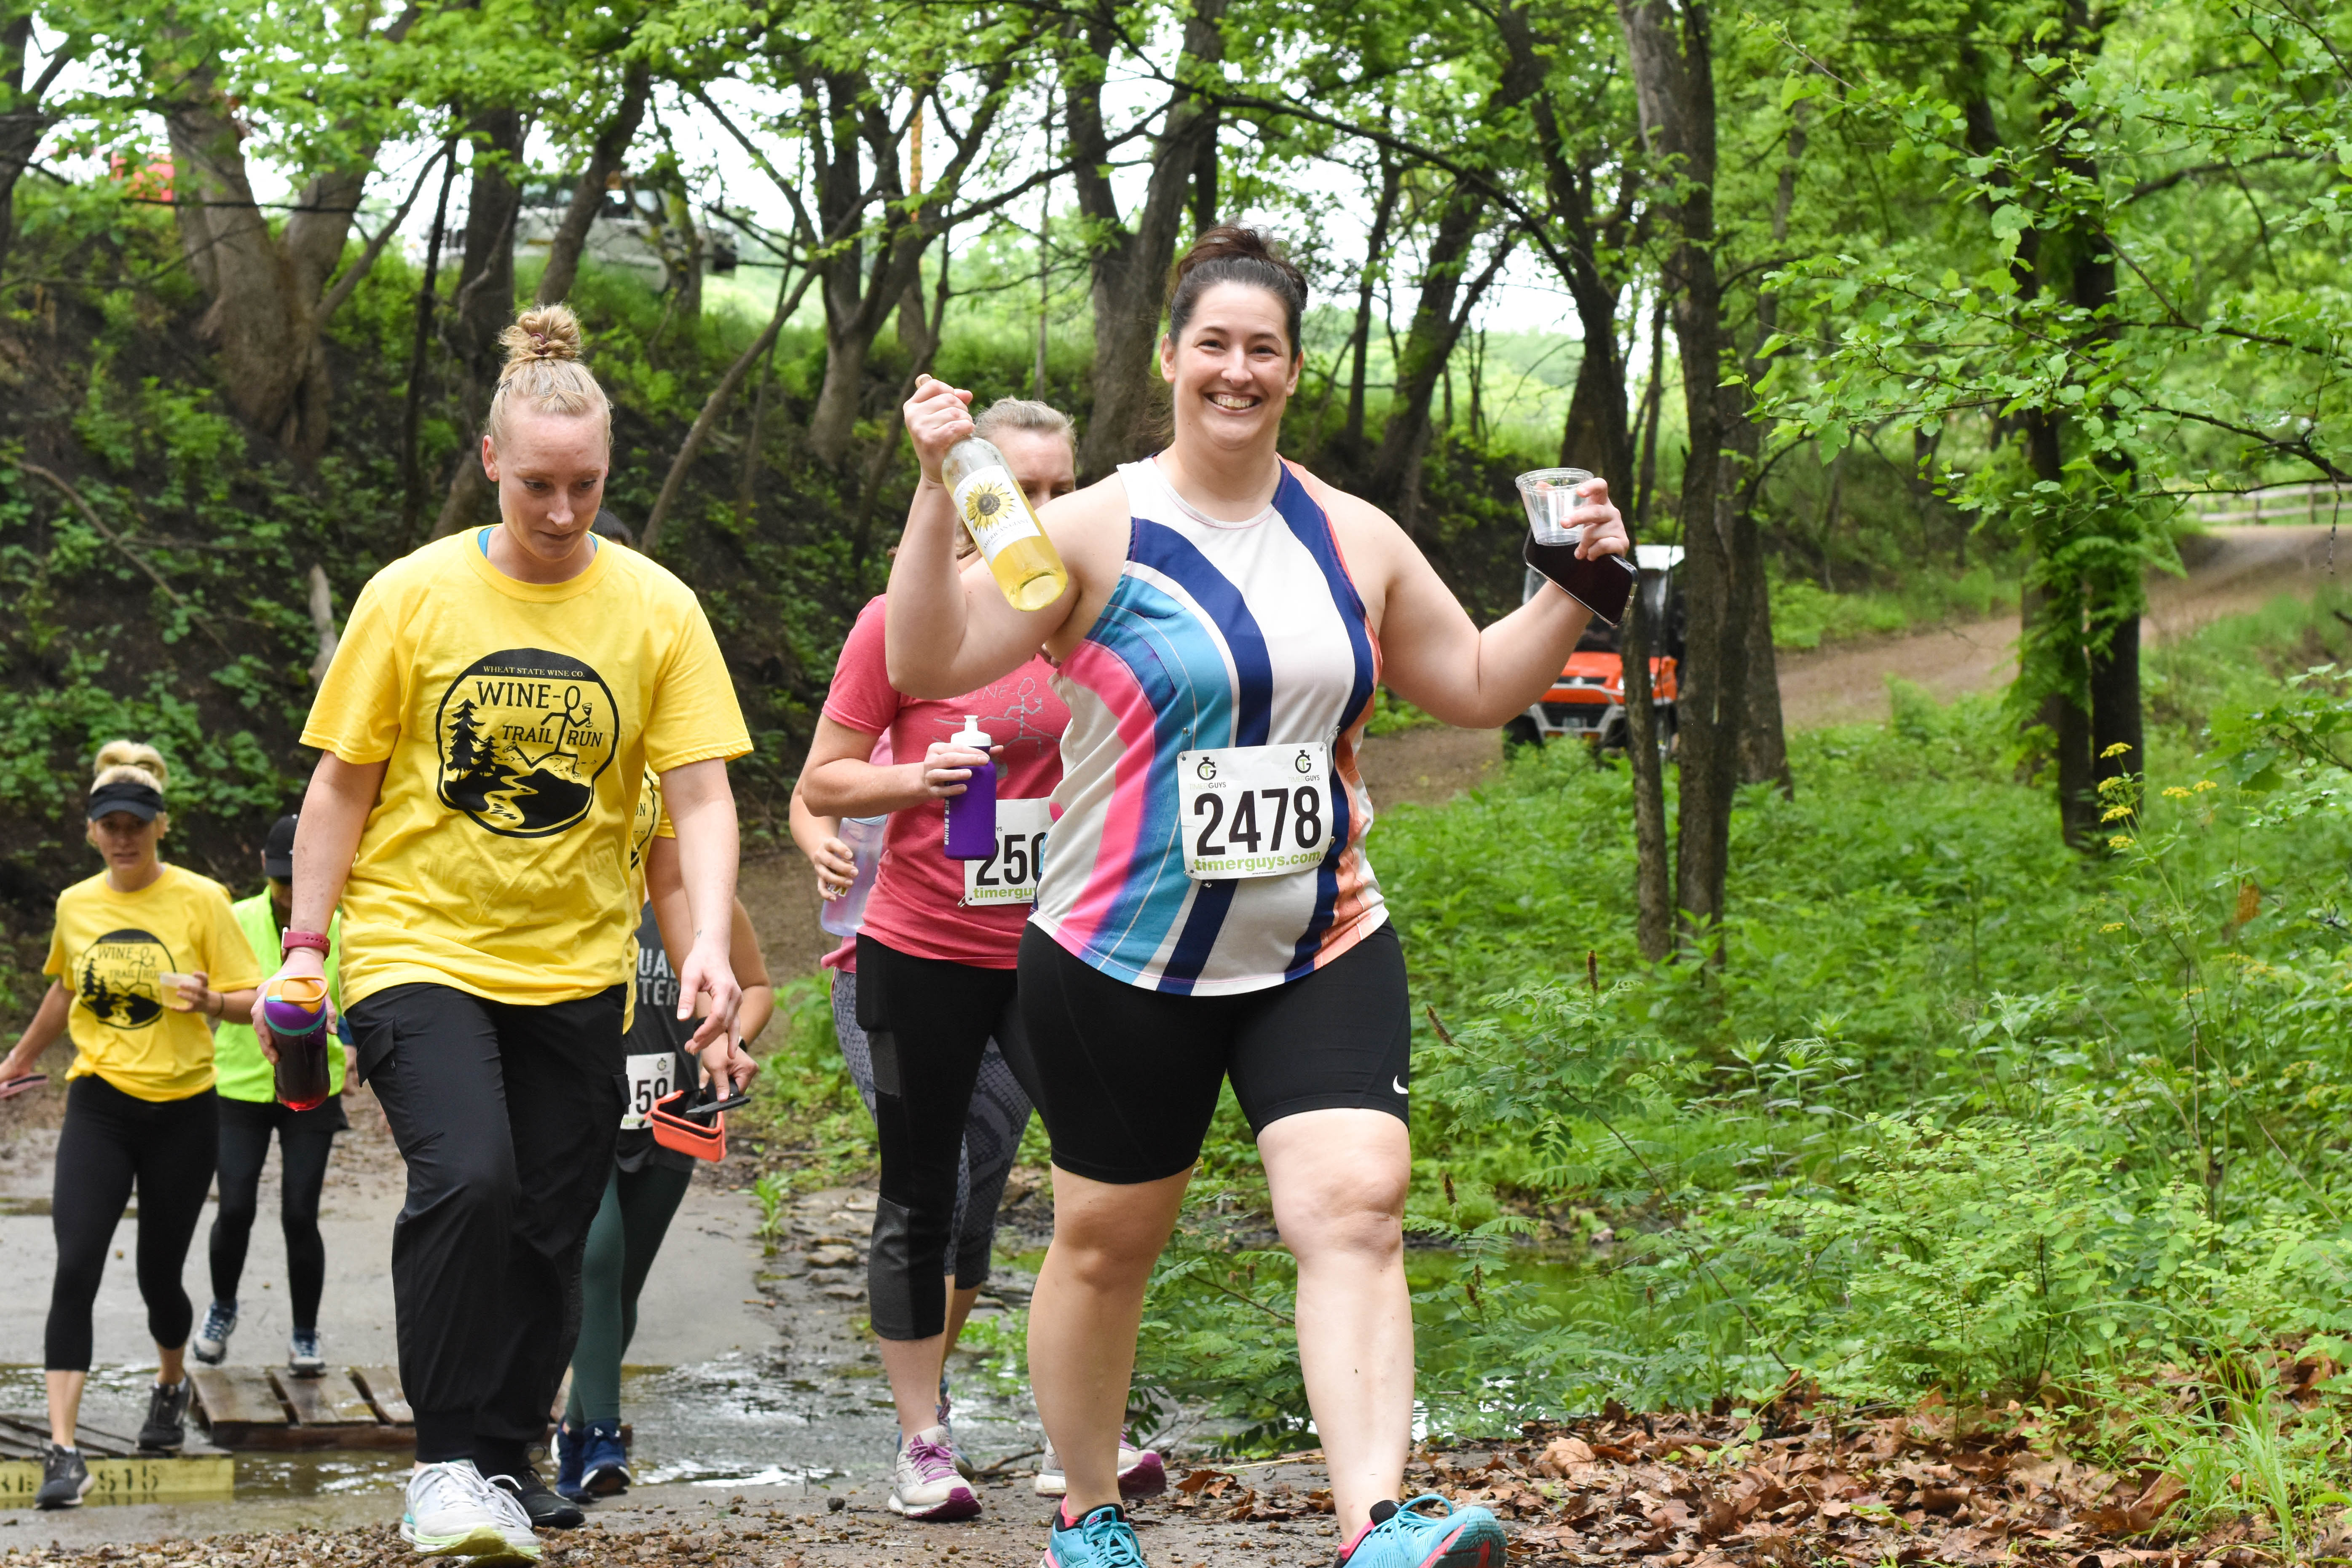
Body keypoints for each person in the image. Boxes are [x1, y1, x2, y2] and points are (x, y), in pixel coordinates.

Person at [882, 228, 1631, 1568]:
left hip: (1317, 932)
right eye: (1212, 345)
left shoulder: (1351, 533)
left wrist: (1574, 587)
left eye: (1264, 350)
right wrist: (943, 487)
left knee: (1355, 1200)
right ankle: (1087, 1511)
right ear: (1170, 359)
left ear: (1294, 371)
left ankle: (1373, 1526)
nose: (1237, 371)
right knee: (1106, 1245)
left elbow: (1468, 682)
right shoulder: (1092, 528)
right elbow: (932, 655)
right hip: (1121, 951)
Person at [255, 304, 752, 1563]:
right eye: (538, 483)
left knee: (549, 1213)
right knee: (468, 1177)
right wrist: (308, 942)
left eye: (586, 484)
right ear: (491, 464)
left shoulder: (655, 608)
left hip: (574, 962)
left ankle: (509, 1453)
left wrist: (698, 944)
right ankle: (442, 1467)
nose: (563, 508)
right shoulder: (412, 595)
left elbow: (697, 790)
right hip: (417, 943)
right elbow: (340, 788)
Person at [795, 397, 1157, 1522]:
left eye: (1059, 490)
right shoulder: (903, 623)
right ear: (970, 496)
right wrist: (919, 783)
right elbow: (822, 781)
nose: (1039, 511)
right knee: (924, 1190)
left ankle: (1077, 1434)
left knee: (1108, 1184)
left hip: (1065, 944)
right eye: (1019, 488)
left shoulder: (1103, 619)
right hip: (922, 944)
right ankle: (921, 1440)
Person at [0, 741, 260, 1509]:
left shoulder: (203, 900)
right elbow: (62, 991)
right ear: (91, 831)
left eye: (135, 824)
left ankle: (171, 1384)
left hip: (184, 1109)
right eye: (109, 824)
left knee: (158, 1277)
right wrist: (14, 1062)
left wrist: (211, 1002)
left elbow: (258, 998)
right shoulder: (77, 905)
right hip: (100, 1105)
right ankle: (63, 1449)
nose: (123, 836)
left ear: (159, 826)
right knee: (75, 1262)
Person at [553, 764, 773, 1504]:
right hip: (587, 1113)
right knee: (599, 1257)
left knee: (625, 1283)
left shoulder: (706, 912)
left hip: (673, 1115)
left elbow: (758, 984)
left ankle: (575, 1434)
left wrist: (728, 1035)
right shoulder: (581, 894)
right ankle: (606, 1435)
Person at [193, 812, 352, 1376]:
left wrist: (351, 1041)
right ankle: (222, 1306)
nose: (288, 892)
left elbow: (355, 997)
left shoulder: (340, 927)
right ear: (265, 867)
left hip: (313, 1085)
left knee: (299, 1213)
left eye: (296, 879)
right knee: (234, 1206)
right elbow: (217, 992)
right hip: (240, 1084)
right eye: (281, 878)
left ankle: (305, 1333)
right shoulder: (235, 920)